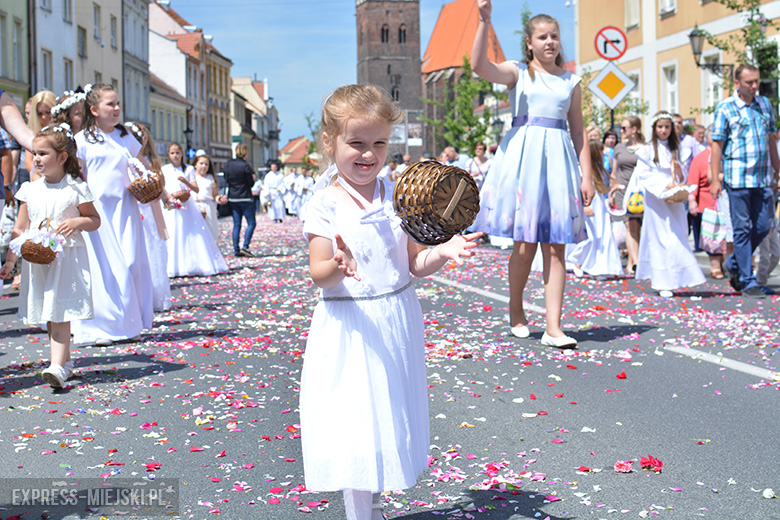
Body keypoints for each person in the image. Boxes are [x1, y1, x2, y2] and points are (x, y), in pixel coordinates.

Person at [300, 84, 480, 520]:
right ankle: (360, 513)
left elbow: (415, 263)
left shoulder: (399, 195)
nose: (368, 154)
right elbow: (318, 274)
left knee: (387, 418)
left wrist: (444, 251)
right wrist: (338, 263)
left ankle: (376, 505)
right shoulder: (324, 202)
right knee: (358, 424)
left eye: (378, 143)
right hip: (352, 323)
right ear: (330, 143)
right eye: (356, 144)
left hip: (396, 316)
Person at [471, 2, 594, 347]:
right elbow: (478, 66)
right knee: (524, 247)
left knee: (556, 247)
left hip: (558, 163)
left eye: (554, 36)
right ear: (529, 42)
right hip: (523, 162)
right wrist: (485, 20)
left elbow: (579, 131)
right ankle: (516, 309)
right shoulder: (519, 73)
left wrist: (587, 176)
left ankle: (553, 328)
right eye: (542, 37)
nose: (550, 42)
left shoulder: (572, 81)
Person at [0, 124, 100, 387]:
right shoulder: (30, 190)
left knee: (59, 310)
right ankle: (64, 362)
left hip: (66, 260)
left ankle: (56, 366)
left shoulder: (75, 188)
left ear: (62, 158)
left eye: (43, 153)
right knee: (50, 310)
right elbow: (20, 228)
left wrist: (78, 222)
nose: (37, 159)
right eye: (35, 153)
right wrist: (11, 261)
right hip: (38, 260)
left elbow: (94, 220)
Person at [72, 83, 153, 346]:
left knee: (131, 263)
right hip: (97, 212)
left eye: (118, 103)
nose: (117, 108)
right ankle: (101, 328)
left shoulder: (126, 137)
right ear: (94, 110)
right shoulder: (82, 140)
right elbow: (78, 177)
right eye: (111, 104)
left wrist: (157, 190)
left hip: (125, 208)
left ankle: (131, 323)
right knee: (103, 268)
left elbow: (144, 169)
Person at [711, 64, 779, 297]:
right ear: (737, 83)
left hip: (762, 178)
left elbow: (771, 139)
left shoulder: (764, 105)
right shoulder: (726, 108)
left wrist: (778, 170)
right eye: (749, 82)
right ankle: (748, 281)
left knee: (763, 225)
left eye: (757, 81)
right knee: (742, 229)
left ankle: (733, 264)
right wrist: (714, 179)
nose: (754, 86)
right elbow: (717, 146)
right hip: (737, 179)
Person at [634, 112, 705, 297]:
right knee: (659, 239)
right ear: (654, 128)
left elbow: (682, 175)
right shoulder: (647, 149)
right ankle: (662, 281)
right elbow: (644, 174)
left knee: (677, 235)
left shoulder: (678, 148)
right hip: (656, 199)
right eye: (660, 127)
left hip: (675, 199)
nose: (663, 130)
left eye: (667, 127)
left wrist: (678, 176)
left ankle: (680, 277)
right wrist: (663, 186)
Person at [161, 143, 227, 276]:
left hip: (186, 204)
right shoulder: (165, 169)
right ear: (169, 155)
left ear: (181, 154)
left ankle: (192, 263)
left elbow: (196, 189)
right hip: (172, 204)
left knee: (189, 233)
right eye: (172, 153)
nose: (175, 156)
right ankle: (172, 266)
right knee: (173, 233)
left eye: (177, 153)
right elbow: (162, 186)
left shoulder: (189, 169)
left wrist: (185, 182)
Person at [126, 121, 171, 312]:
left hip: (147, 208)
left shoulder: (144, 161)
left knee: (152, 248)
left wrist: (167, 198)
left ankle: (152, 295)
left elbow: (157, 186)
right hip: (135, 206)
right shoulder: (126, 159)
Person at [567, 140, 623, 278]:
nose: (604, 153)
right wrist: (584, 207)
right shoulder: (582, 171)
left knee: (602, 237)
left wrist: (613, 189)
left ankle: (599, 267)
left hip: (600, 208)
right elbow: (577, 190)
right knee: (589, 238)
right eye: (601, 150)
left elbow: (601, 189)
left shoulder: (598, 169)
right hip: (589, 206)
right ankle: (576, 260)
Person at [687, 126, 729, 278]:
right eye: (712, 133)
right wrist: (692, 200)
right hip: (708, 203)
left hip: (728, 201)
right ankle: (715, 266)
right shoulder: (701, 157)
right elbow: (693, 180)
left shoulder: (728, 154)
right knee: (713, 234)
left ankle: (726, 263)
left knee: (726, 235)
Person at [609, 115, 644, 273]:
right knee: (630, 225)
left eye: (624, 128)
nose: (621, 131)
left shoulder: (646, 147)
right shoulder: (619, 148)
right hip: (623, 191)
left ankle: (632, 260)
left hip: (640, 192)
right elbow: (614, 172)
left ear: (634, 129)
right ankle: (636, 261)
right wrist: (611, 192)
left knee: (639, 226)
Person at [223, 143, 257, 257]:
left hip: (233, 197)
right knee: (251, 223)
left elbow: (226, 179)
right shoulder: (245, 166)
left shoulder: (229, 164)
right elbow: (251, 183)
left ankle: (236, 249)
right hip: (245, 197)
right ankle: (245, 246)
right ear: (245, 153)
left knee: (237, 224)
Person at [24, 90, 57, 179]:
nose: (44, 117)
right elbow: (28, 163)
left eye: (48, 112)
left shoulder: (63, 131)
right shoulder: (33, 132)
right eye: (40, 113)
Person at [193, 153, 220, 241]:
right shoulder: (191, 177)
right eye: (201, 163)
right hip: (195, 206)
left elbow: (214, 194)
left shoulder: (210, 178)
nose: (204, 166)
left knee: (210, 232)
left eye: (206, 164)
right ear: (195, 164)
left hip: (208, 207)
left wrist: (219, 199)